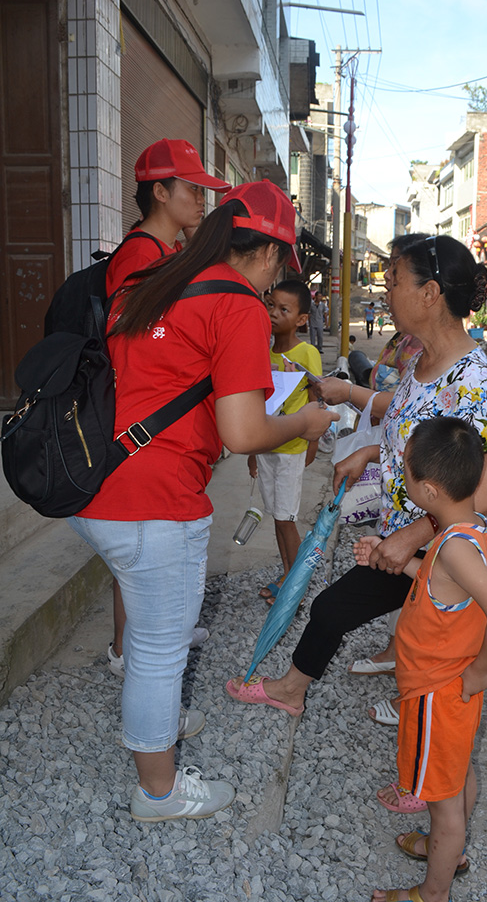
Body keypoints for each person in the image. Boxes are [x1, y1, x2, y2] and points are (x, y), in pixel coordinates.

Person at [67, 180, 337, 821]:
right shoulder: (237, 303)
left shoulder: (155, 281)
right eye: (279, 268)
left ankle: (153, 721)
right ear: (268, 254)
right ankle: (158, 792)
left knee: (148, 642)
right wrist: (304, 423)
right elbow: (242, 431)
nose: (273, 286)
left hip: (96, 482)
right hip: (154, 499)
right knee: (161, 650)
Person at [225, 234, 487, 723]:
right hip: (406, 536)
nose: (386, 292)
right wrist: (371, 451)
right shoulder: (423, 360)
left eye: (394, 281)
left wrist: (412, 536)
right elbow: (414, 424)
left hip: (446, 550)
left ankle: (421, 728)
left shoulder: (475, 383)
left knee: (361, 619)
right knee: (350, 613)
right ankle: (321, 690)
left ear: (430, 293)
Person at [353, 417, 487, 902]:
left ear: (428, 490)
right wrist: (394, 560)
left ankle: (433, 891)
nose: (402, 478)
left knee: (442, 800)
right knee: (458, 772)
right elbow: (440, 583)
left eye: (405, 472)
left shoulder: (454, 547)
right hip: (449, 692)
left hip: (437, 692)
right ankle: (446, 848)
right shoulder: (467, 529)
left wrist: (480, 671)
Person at [106, 138, 230, 679]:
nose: (201, 199)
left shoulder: (169, 254)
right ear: (159, 192)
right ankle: (129, 650)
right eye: (192, 189)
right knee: (139, 557)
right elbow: (136, 353)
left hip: (159, 432)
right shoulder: (140, 257)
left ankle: (146, 636)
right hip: (143, 434)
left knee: (139, 564)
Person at [249, 280, 323, 605]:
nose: (274, 314)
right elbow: (257, 403)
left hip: (292, 450)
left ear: (302, 319)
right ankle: (287, 573)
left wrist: (313, 443)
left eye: (284, 309)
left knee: (286, 518)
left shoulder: (307, 353)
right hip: (266, 446)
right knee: (277, 517)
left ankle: (295, 587)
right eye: (271, 306)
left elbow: (317, 398)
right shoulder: (262, 353)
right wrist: (252, 451)